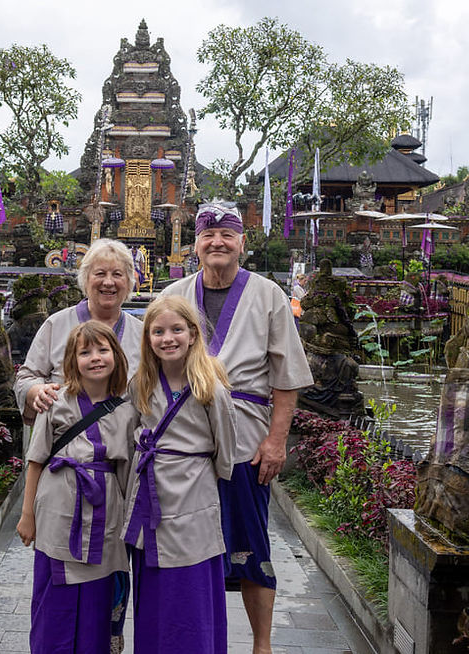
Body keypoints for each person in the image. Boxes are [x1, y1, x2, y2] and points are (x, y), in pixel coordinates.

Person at [161, 202, 313, 654]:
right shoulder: (174, 295)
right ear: (195, 244)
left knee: (251, 542)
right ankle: (196, 641)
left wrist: (276, 441)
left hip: (246, 437)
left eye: (227, 235)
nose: (217, 242)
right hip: (184, 440)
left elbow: (286, 377)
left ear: (242, 243)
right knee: (185, 543)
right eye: (208, 235)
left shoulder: (268, 295)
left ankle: (261, 645)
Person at [123, 295, 236, 653]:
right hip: (149, 495)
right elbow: (128, 435)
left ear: (193, 334)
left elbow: (226, 451)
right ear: (147, 338)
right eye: (158, 331)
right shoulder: (140, 383)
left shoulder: (210, 387)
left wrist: (198, 477)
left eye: (176, 330)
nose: (167, 338)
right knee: (154, 595)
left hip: (193, 496)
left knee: (191, 590)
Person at [17, 321, 134, 653]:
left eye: (103, 350)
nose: (95, 358)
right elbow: (36, 459)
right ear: (72, 360)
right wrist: (27, 515)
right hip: (58, 509)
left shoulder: (128, 409)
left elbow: (127, 473)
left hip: (105, 513)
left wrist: (130, 524)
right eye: (85, 352)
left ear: (117, 355)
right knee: (54, 602)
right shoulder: (54, 400)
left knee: (98, 604)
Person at [15, 238, 143, 426]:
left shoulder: (142, 333)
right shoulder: (56, 324)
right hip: (67, 437)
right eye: (100, 273)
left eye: (117, 274)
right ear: (86, 278)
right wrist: (35, 391)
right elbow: (26, 378)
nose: (108, 282)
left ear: (129, 281)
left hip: (124, 440)